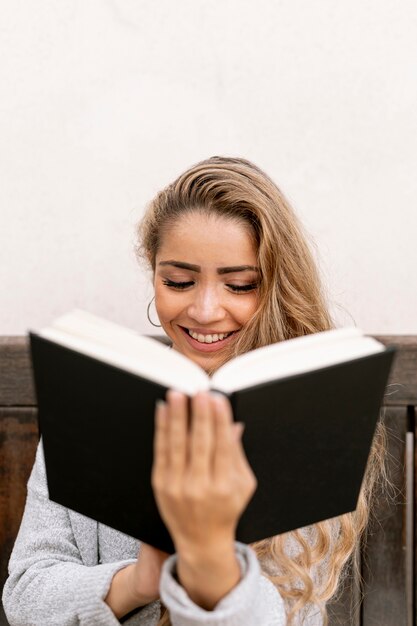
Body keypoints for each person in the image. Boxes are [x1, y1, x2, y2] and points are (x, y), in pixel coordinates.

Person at [2, 156, 385, 625]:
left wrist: (209, 570)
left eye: (240, 285)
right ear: (154, 278)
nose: (205, 310)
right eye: (178, 282)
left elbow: (289, 615)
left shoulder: (309, 415)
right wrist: (140, 579)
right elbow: (25, 594)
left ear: (276, 290)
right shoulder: (93, 402)